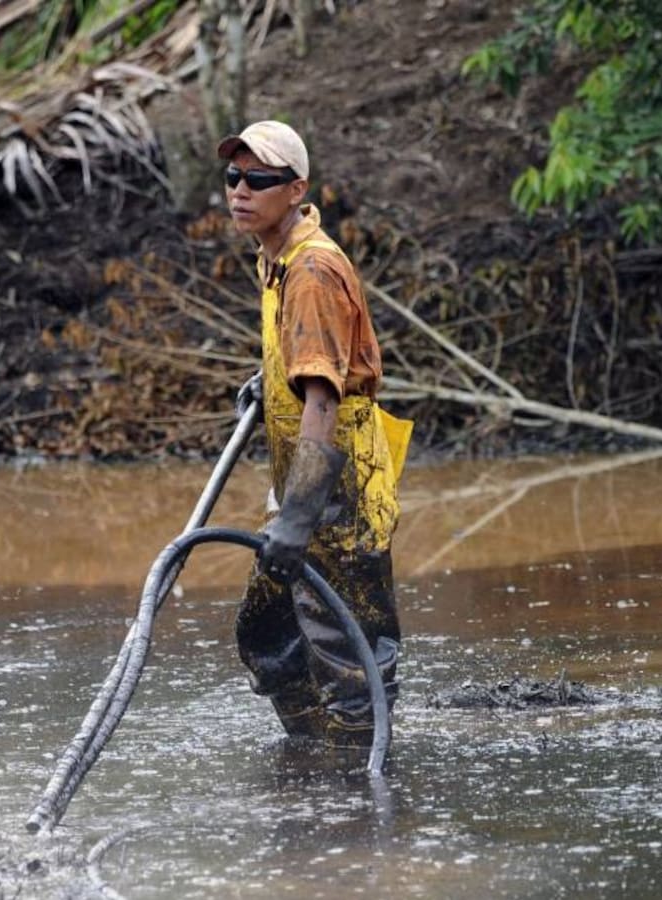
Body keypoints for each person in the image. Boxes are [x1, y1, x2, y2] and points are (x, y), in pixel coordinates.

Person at [218, 120, 411, 749]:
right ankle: (311, 756)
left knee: (348, 655)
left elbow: (324, 397)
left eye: (258, 179)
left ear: (296, 189)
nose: (240, 190)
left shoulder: (311, 271)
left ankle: (359, 770)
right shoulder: (275, 256)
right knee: (269, 634)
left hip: (338, 490)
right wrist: (269, 378)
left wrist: (298, 518)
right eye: (233, 176)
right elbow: (312, 356)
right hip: (305, 481)